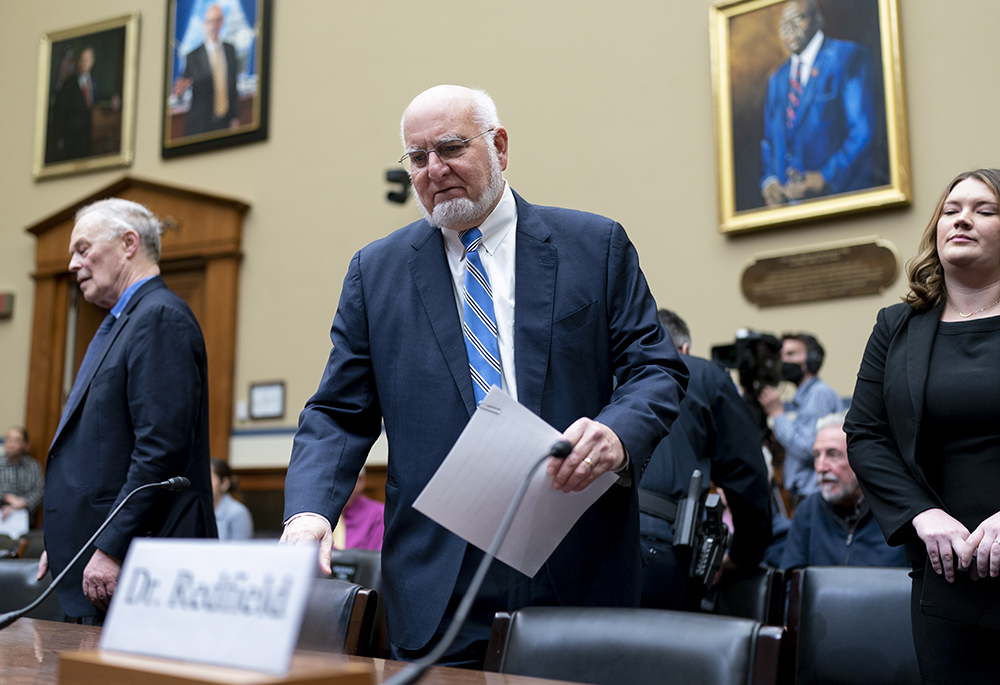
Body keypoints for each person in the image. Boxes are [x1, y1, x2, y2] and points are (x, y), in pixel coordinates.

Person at [281, 85, 688, 667]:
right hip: (439, 581)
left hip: (573, 556)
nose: (434, 170)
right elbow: (337, 413)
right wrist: (309, 513)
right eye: (417, 158)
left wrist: (617, 433)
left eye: (449, 148)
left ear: (499, 145)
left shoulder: (593, 246)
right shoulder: (376, 272)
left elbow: (654, 368)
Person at [846, 168, 1000, 683]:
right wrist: (921, 514)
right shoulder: (897, 326)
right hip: (945, 574)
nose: (963, 220)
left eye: (985, 210)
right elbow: (866, 435)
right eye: (952, 210)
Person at [40, 198, 217, 622]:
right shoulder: (123, 321)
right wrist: (69, 540)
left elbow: (160, 453)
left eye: (82, 249)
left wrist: (111, 546)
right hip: (105, 560)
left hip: (137, 562)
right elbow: (104, 451)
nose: (72, 264)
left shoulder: (159, 318)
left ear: (128, 243)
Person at [639, 309, 771, 610]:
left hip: (587, 541)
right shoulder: (704, 375)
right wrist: (744, 554)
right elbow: (747, 476)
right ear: (683, 350)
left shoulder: (600, 372)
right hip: (664, 544)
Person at [760, 0, 879, 206]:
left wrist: (825, 177)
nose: (789, 28)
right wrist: (769, 181)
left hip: (840, 203)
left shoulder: (848, 57)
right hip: (789, 213)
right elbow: (770, 141)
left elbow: (862, 132)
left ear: (818, 20)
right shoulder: (777, 78)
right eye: (782, 24)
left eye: (797, 19)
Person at [780, 412, 906, 570]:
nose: (820, 467)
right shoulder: (808, 511)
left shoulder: (899, 512)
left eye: (833, 455)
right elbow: (791, 583)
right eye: (816, 456)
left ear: (861, 460)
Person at [758, 333, 841, 502]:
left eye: (791, 354)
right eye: (781, 355)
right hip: (803, 497)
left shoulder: (818, 393)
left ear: (811, 360)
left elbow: (807, 449)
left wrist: (778, 415)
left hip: (814, 496)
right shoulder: (805, 398)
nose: (783, 360)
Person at [173, 4, 240, 137]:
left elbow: (233, 87)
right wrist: (180, 91)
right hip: (201, 124)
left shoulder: (230, 50)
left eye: (217, 20)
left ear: (222, 22)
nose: (213, 25)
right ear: (204, 24)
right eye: (210, 21)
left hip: (225, 123)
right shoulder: (193, 56)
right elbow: (183, 88)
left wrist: (235, 117)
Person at [48, 46, 97, 163]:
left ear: (92, 62)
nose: (83, 63)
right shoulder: (69, 84)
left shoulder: (94, 82)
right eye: (81, 59)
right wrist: (59, 138)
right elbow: (59, 112)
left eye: (87, 59)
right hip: (71, 140)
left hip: (88, 139)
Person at [332, 468, 384, 551]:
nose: (335, 486)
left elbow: (378, 560)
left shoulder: (379, 514)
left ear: (361, 480)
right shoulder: (311, 514)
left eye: (343, 479)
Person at [1, 427, 44, 519]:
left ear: (25, 445)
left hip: (25, 515)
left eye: (16, 441)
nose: (11, 445)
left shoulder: (33, 466)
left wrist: (23, 503)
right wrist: (7, 497)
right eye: (9, 440)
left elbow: (39, 490)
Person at [211, 458, 254, 540]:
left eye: (210, 478)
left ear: (225, 484)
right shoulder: (202, 510)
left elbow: (241, 549)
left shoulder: (238, 512)